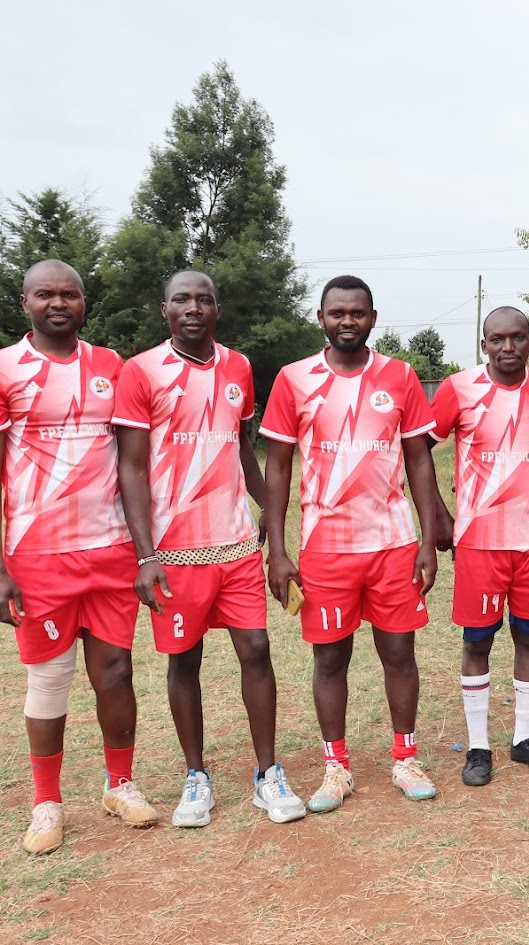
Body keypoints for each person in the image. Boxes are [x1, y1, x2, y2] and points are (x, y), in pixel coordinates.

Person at [112, 269, 304, 828]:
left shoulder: (238, 366)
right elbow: (130, 465)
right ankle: (195, 776)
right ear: (164, 309)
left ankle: (267, 774)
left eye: (203, 299)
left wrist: (267, 506)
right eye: (181, 299)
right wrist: (146, 555)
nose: (192, 307)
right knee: (184, 661)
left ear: (217, 309)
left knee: (257, 652)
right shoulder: (140, 370)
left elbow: (243, 443)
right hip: (174, 549)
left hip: (236, 541)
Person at [262, 275, 444, 811]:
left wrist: (428, 538)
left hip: (392, 543)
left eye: (357, 313)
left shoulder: (401, 376)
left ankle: (405, 757)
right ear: (321, 318)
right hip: (325, 546)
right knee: (330, 659)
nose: (348, 321)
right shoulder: (294, 380)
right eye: (337, 312)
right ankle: (335, 767)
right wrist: (277, 550)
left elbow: (418, 460)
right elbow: (277, 469)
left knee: (399, 653)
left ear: (372, 317)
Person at [0, 260, 160, 854]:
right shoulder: (5, 368)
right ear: (26, 303)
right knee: (50, 676)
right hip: (37, 554)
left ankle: (121, 784)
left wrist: (145, 552)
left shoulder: (110, 366)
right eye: (46, 294)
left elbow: (130, 460)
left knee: (116, 671)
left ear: (84, 303)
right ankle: (46, 803)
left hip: (111, 549)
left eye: (69, 294)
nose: (58, 303)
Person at [432, 306, 529, 787]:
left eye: (517, 338)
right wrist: (438, 515)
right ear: (484, 343)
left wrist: (528, 484)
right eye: (497, 340)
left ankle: (524, 738)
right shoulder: (459, 388)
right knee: (479, 640)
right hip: (479, 540)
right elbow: (417, 447)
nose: (507, 348)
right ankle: (478, 746)